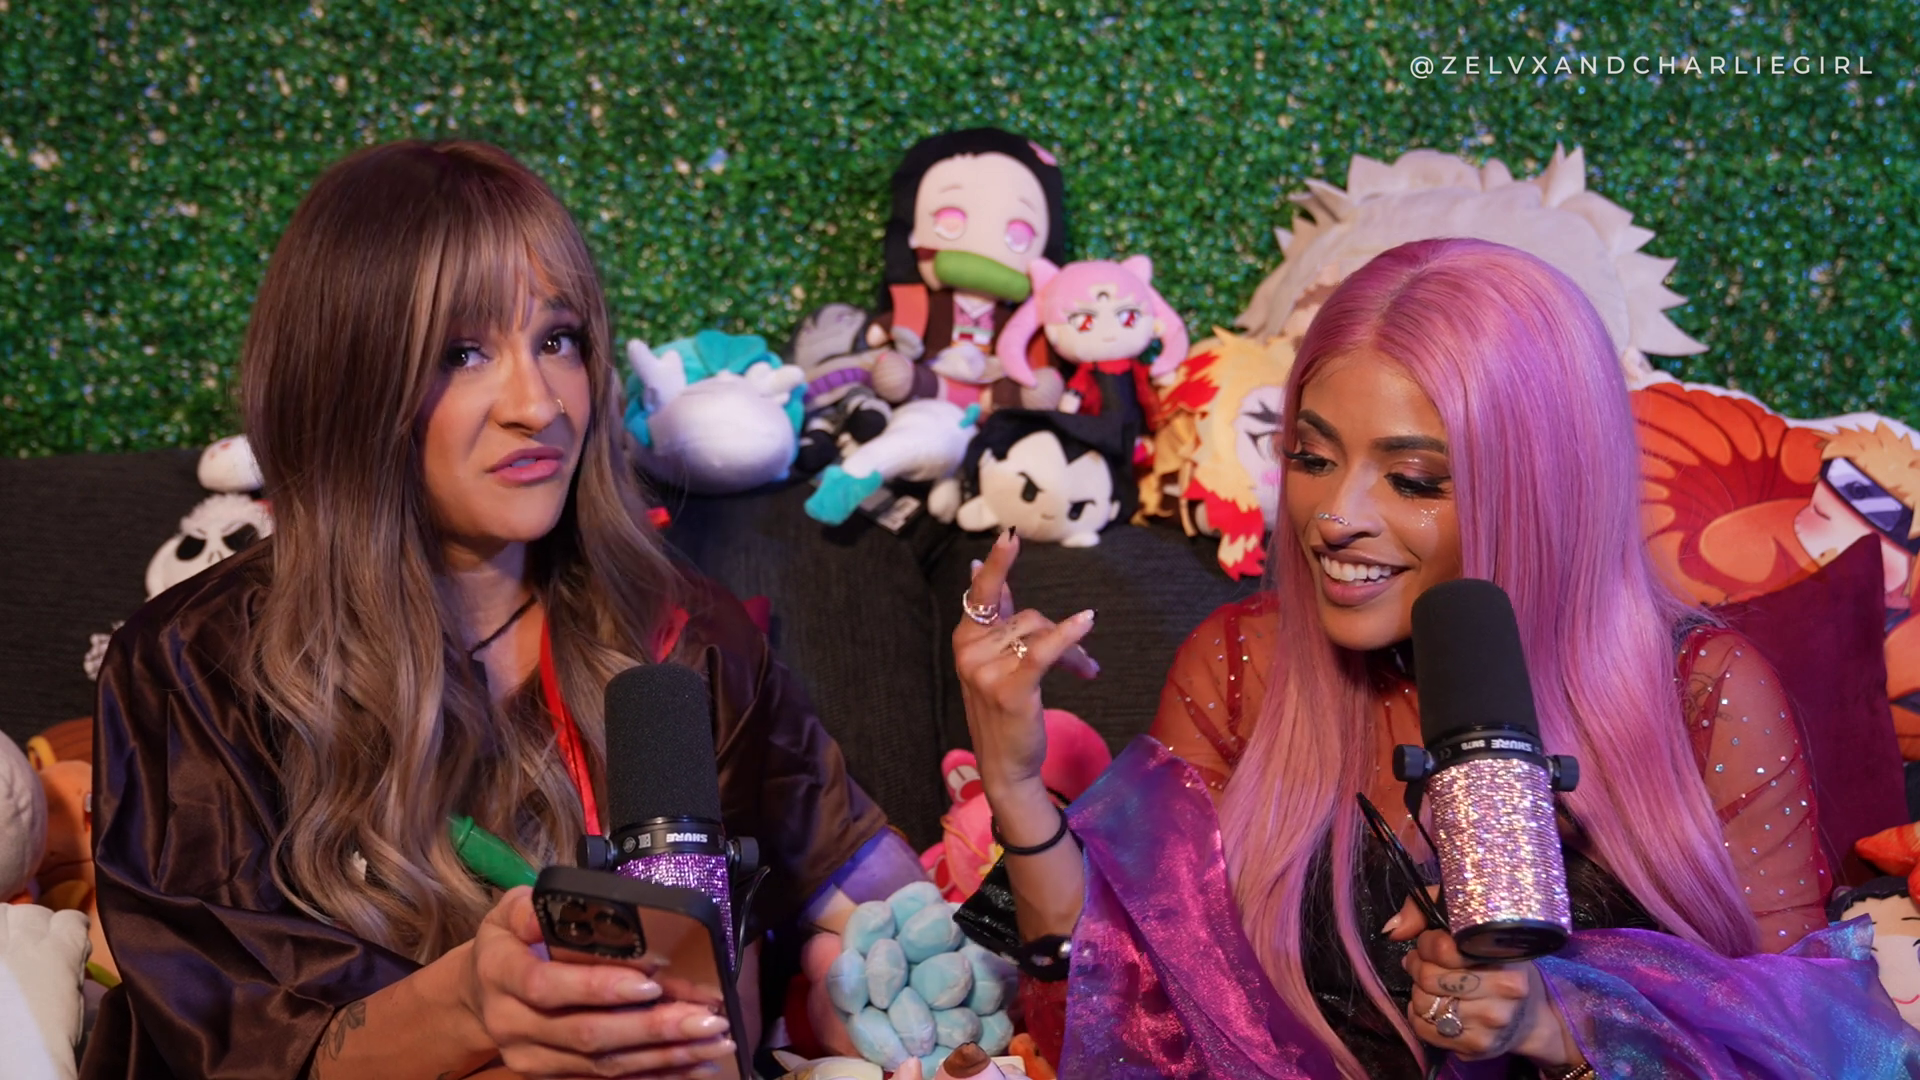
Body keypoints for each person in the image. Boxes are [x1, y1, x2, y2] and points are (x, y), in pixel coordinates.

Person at [956, 238, 1920, 1077]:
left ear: (1539, 490)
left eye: (1413, 478)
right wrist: (1015, 781)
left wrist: (1567, 1022)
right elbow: (1121, 1008)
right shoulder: (1243, 665)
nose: (1335, 516)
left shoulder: (1702, 693)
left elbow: (1820, 1049)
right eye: (1312, 457)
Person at [83, 141, 924, 1080]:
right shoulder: (192, 665)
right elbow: (236, 1047)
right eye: (463, 352)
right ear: (346, 380)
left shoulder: (685, 641)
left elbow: (893, 932)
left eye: (558, 339)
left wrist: (1011, 791)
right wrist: (471, 1005)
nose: (538, 404)